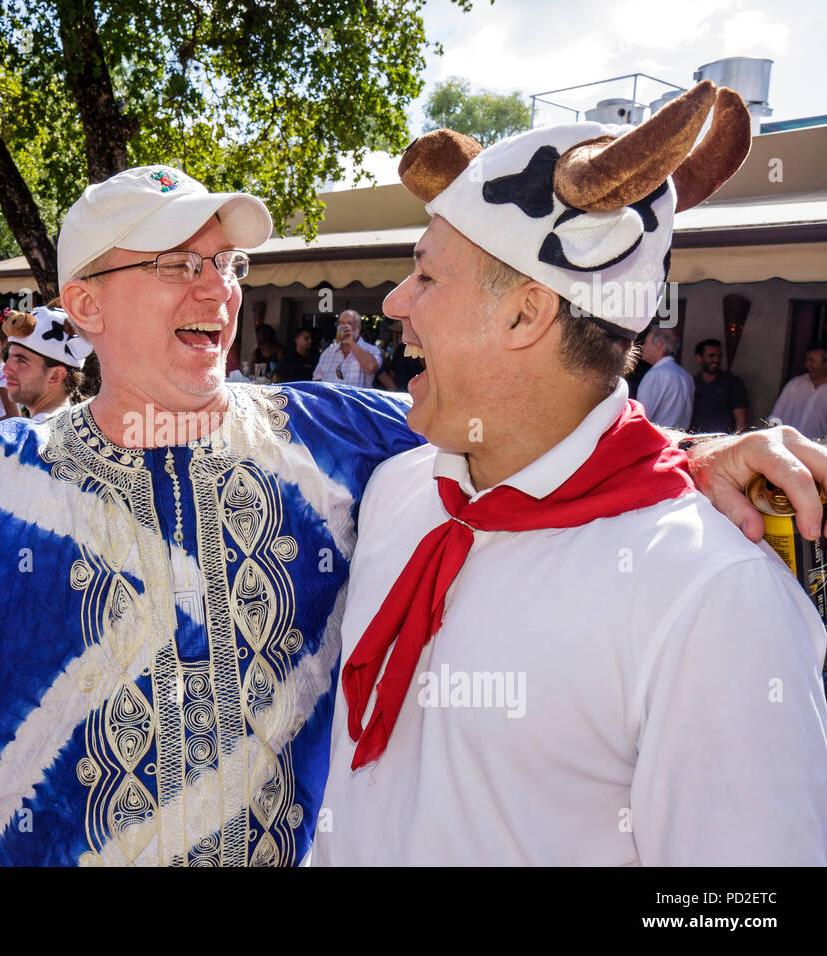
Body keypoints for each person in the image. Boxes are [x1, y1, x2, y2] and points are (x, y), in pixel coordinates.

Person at [0, 164, 827, 867]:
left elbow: (540, 429)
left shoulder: (345, 439)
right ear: (83, 305)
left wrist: (698, 449)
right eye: (177, 264)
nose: (216, 289)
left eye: (227, 262)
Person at [315, 82, 827, 865]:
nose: (394, 302)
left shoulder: (714, 595)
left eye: (426, 275)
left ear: (526, 313)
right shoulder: (398, 487)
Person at [0, 305, 93, 421]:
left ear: (55, 376)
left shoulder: (33, 434)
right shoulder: (77, 423)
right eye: (9, 357)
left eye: (21, 361)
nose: (6, 369)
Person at [636, 325, 694, 428]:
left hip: (659, 440)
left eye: (646, 343)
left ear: (659, 344)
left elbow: (641, 417)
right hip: (681, 439)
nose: (643, 347)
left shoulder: (655, 375)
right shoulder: (686, 375)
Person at [770, 342, 827, 440]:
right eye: (807, 360)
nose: (807, 365)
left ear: (825, 364)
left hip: (815, 452)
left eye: (811, 361)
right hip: (786, 448)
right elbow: (775, 416)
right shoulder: (795, 384)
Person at [690, 338, 748, 432]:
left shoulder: (733, 383)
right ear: (699, 358)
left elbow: (742, 421)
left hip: (722, 442)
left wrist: (735, 444)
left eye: (719, 356)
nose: (716, 360)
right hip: (695, 441)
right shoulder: (692, 383)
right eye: (711, 356)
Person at [314, 309, 381, 386]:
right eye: (341, 323)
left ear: (359, 327)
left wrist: (351, 342)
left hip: (354, 398)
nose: (344, 327)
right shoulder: (328, 352)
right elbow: (317, 378)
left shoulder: (372, 350)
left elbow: (371, 368)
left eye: (349, 323)